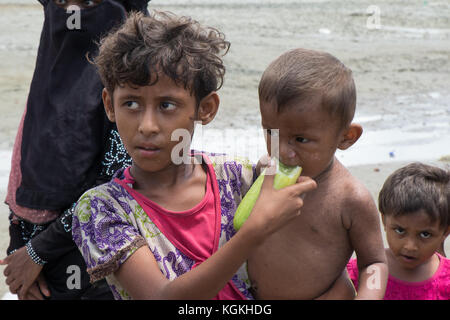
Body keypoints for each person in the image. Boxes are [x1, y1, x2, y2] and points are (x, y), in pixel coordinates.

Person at [71, 11, 317, 300]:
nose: (147, 126)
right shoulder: (102, 209)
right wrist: (254, 231)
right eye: (131, 103)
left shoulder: (239, 177)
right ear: (109, 105)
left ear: (206, 108)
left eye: (167, 105)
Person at [0, 0, 150, 300]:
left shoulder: (134, 83)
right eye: (59, 2)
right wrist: (19, 247)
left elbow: (114, 187)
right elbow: (27, 167)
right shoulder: (51, 75)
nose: (70, 12)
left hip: (99, 262)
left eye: (88, 3)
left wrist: (37, 252)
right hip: (41, 267)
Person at [246, 48, 389, 300]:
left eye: (300, 139)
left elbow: (374, 264)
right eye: (271, 132)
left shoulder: (349, 199)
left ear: (346, 137)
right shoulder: (264, 172)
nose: (281, 151)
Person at [347, 162, 450, 300]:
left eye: (425, 234)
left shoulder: (447, 280)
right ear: (384, 220)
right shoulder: (362, 270)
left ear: (445, 232)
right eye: (400, 230)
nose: (410, 246)